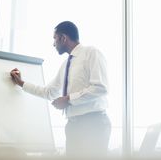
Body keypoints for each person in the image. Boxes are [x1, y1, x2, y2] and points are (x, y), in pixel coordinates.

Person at [10, 21, 111, 157]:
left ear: (63, 38)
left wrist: (68, 99)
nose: (53, 44)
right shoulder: (66, 65)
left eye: (54, 39)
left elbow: (100, 88)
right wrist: (21, 83)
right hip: (73, 126)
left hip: (93, 124)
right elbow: (49, 92)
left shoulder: (91, 53)